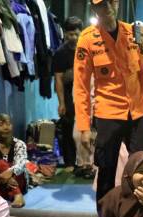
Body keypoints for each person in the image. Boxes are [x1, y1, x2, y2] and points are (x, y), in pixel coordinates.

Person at [74, 0, 143, 208]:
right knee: (106, 170)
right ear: (94, 8)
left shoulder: (133, 33)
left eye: (112, 2)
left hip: (137, 113)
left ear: (118, 3)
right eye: (102, 4)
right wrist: (84, 127)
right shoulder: (87, 39)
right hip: (107, 114)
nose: (108, 8)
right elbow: (81, 86)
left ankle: (139, 214)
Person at [54, 16, 86, 176]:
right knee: (68, 127)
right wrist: (61, 103)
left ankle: (86, 162)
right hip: (68, 95)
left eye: (76, 34)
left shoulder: (87, 49)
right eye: (70, 34)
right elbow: (59, 79)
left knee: (86, 128)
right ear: (65, 33)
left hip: (86, 93)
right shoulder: (60, 53)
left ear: (81, 33)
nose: (73, 37)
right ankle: (69, 161)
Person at [0, 113, 29, 208]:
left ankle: (18, 195)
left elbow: (21, 164)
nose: (6, 127)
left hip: (17, 180)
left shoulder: (19, 144)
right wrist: (3, 178)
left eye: (8, 124)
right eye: (1, 124)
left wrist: (10, 172)